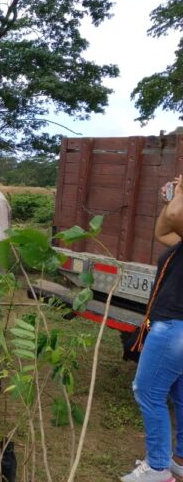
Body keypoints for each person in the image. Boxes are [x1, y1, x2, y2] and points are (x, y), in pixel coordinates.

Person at [120, 176, 183, 482]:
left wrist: (180, 193)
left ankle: (158, 468)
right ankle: (179, 460)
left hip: (175, 325)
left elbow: (175, 217)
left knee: (147, 391)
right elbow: (164, 230)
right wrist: (168, 200)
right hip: (175, 324)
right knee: (179, 392)